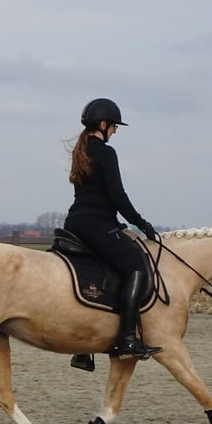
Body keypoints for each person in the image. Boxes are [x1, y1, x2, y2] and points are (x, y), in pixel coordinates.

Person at [63, 98, 162, 360]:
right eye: (114, 126)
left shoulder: (81, 151)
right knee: (137, 269)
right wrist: (142, 224)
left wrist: (116, 225)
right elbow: (117, 196)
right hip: (95, 224)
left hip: (76, 222)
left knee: (98, 272)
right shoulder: (106, 153)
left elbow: (94, 197)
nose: (116, 131)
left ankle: (85, 346)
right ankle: (127, 339)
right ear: (103, 124)